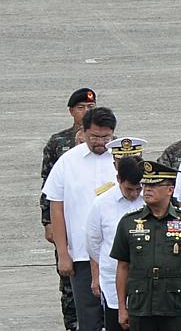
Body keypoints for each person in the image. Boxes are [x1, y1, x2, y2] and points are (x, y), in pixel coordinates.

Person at [44, 105, 119, 331]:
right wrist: (63, 253)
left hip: (120, 255)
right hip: (82, 255)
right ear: (83, 132)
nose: (101, 143)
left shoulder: (123, 159)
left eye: (106, 137)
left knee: (121, 318)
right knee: (89, 318)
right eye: (94, 137)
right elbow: (57, 208)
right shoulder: (68, 162)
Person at [110, 161, 181, 331]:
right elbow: (123, 266)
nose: (147, 189)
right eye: (146, 184)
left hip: (176, 305)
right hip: (141, 305)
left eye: (154, 185)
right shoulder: (129, 222)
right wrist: (122, 307)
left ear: (170, 190)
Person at [42, 87, 96, 331]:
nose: (85, 111)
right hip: (66, 222)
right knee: (69, 282)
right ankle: (72, 323)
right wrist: (48, 222)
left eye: (90, 107)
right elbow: (49, 187)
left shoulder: (107, 143)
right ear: (71, 111)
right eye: (81, 108)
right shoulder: (58, 142)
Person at [86, 156, 144, 331]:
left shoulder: (150, 200)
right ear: (118, 179)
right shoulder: (101, 204)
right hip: (113, 279)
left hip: (145, 281)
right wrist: (101, 271)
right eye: (129, 189)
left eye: (138, 188)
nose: (134, 194)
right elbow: (93, 243)